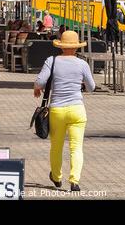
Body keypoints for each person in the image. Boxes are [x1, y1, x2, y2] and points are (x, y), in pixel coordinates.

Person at [34, 31, 95, 192]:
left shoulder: (52, 61)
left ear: (61, 45)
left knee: (56, 146)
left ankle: (57, 176)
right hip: (77, 109)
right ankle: (74, 180)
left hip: (57, 110)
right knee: (76, 147)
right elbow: (91, 87)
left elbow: (40, 81)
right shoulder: (82, 64)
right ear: (76, 48)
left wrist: (37, 89)